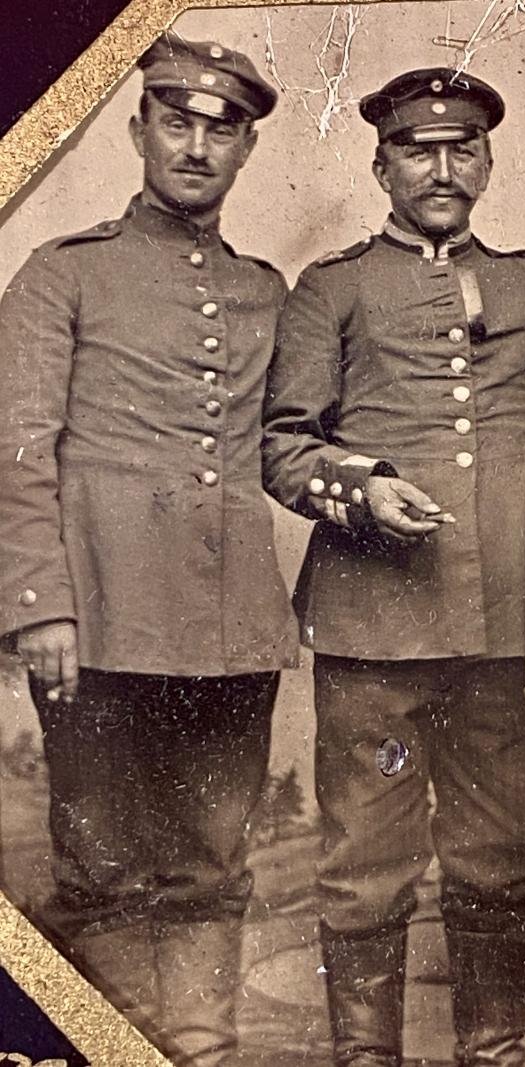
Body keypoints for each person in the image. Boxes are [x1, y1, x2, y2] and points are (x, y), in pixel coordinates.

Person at [261, 67, 525, 1067]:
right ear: (381, 163)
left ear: (484, 161)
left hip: (502, 629)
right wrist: (365, 482)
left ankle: (494, 1049)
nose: (440, 167)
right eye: (418, 150)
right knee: (364, 862)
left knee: (503, 856)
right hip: (373, 628)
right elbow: (285, 443)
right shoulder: (330, 289)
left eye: (460, 147)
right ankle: (366, 1058)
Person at [0, 33, 298, 1067]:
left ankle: (203, 1054)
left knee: (213, 865)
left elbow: (286, 442)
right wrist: (40, 600)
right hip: (99, 621)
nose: (197, 146)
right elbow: (17, 444)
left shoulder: (267, 290)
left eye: (222, 130)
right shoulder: (60, 273)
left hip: (231, 629)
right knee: (103, 871)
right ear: (139, 129)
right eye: (177, 121)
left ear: (246, 150)